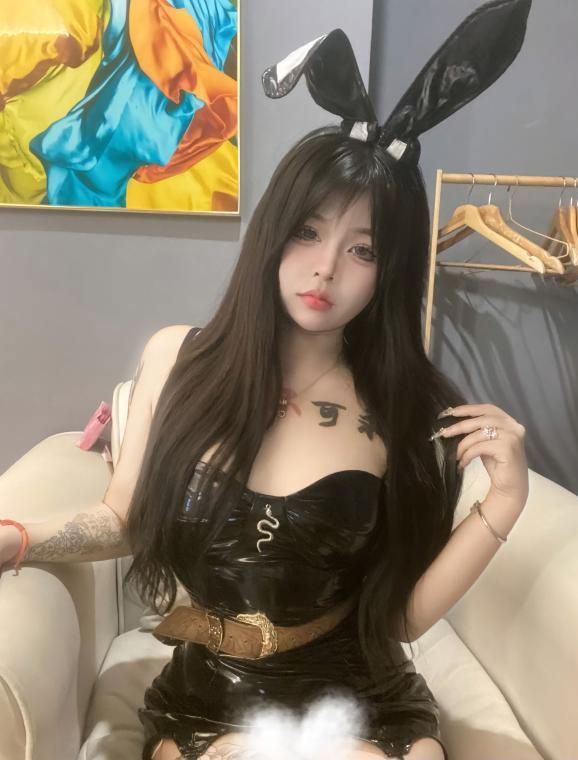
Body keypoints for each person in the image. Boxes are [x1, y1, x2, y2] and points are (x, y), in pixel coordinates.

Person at [0, 2, 533, 758]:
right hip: (215, 696)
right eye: (308, 232)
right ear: (273, 234)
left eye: (363, 250)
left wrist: (505, 501)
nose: (326, 268)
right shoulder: (178, 359)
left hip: (357, 693)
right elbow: (123, 521)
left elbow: (399, 620)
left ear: (389, 272)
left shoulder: (399, 407)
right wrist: (18, 538)